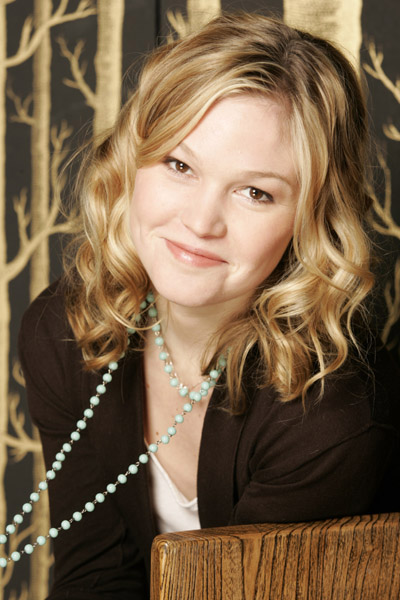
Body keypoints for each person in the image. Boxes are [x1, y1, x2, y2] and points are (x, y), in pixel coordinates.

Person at [13, 11, 400, 599]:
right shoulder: (63, 332)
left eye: (256, 192)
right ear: (132, 162)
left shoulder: (329, 416)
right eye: (180, 165)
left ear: (308, 220)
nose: (200, 222)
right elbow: (94, 572)